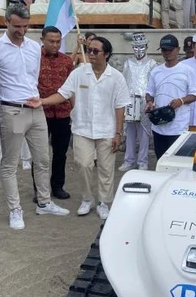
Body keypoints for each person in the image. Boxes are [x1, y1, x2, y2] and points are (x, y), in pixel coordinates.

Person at [0, 4, 69, 230]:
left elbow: (32, 77)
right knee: (9, 164)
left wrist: (38, 101)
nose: (21, 31)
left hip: (36, 108)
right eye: (17, 26)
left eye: (25, 26)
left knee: (42, 159)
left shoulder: (33, 48)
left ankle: (44, 202)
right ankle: (15, 209)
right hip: (10, 109)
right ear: (6, 22)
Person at [28, 37, 130, 220]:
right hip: (82, 128)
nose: (91, 54)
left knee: (106, 169)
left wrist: (118, 133)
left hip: (107, 130)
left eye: (95, 51)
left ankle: (104, 202)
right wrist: (42, 101)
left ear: (106, 54)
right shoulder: (79, 73)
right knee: (83, 164)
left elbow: (120, 106)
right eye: (89, 50)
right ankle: (87, 199)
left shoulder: (117, 77)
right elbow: (63, 94)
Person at [145, 34, 196, 159]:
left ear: (178, 50)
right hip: (158, 126)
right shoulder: (156, 71)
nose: (167, 53)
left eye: (170, 50)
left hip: (178, 127)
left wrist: (181, 100)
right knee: (161, 159)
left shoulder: (187, 70)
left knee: (176, 161)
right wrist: (149, 102)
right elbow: (149, 93)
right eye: (164, 50)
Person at [36, 26, 73, 199]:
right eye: (51, 41)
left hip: (63, 113)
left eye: (58, 41)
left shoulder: (66, 61)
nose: (55, 45)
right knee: (40, 155)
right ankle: (40, 189)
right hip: (40, 113)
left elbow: (71, 88)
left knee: (60, 153)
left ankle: (57, 186)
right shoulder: (34, 58)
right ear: (42, 40)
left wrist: (74, 110)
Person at [119, 33, 157, 172]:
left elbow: (154, 84)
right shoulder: (128, 63)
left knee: (144, 133)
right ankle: (129, 160)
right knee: (130, 133)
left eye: (141, 46)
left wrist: (152, 100)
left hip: (144, 101)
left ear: (146, 47)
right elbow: (123, 81)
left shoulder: (152, 64)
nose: (139, 50)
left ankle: (142, 161)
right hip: (130, 101)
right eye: (136, 47)